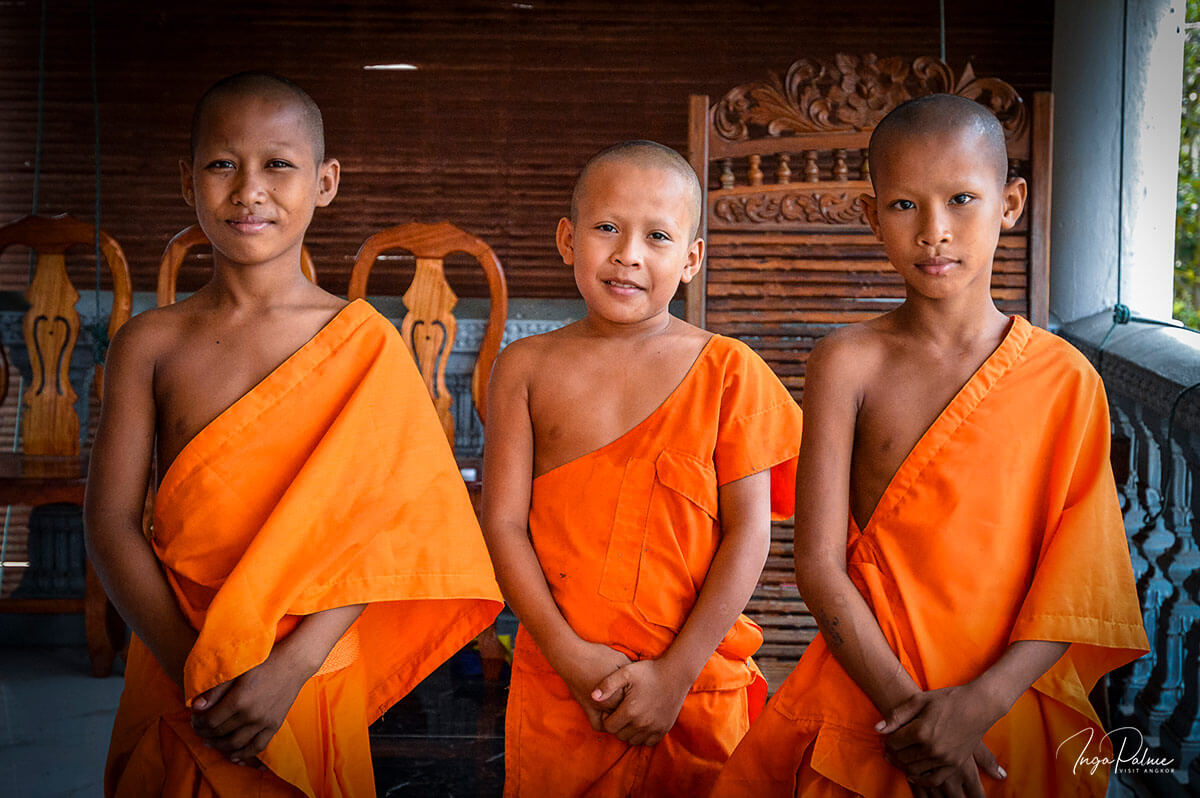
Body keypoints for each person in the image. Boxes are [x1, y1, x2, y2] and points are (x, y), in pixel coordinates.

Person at [711, 94, 1149, 798]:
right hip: (872, 700)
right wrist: (914, 721)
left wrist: (976, 707)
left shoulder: (1065, 380)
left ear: (1009, 203)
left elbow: (1079, 585)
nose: (934, 231)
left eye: (961, 199)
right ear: (871, 215)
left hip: (1005, 705)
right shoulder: (846, 362)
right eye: (905, 206)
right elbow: (819, 568)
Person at [85, 71, 503, 797]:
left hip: (307, 666)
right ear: (187, 181)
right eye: (222, 164)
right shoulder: (150, 343)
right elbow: (110, 522)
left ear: (326, 181)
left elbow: (390, 531)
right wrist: (198, 669)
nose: (250, 188)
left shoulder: (362, 342)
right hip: (179, 652)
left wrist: (290, 669)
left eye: (278, 164)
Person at [481, 140, 804, 797]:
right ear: (568, 238)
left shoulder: (728, 371)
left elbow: (750, 535)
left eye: (657, 236)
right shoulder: (525, 368)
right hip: (565, 681)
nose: (628, 253)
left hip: (695, 681)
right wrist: (569, 658)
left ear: (690, 260)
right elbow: (503, 526)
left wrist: (676, 674)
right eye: (607, 228)